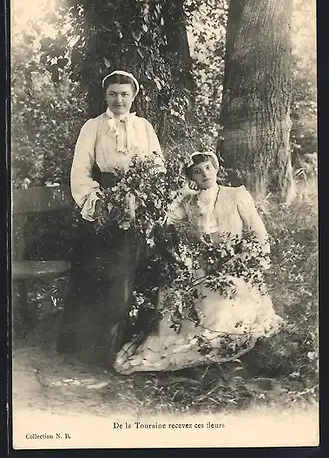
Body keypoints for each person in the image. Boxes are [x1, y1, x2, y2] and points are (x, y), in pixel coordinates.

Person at [114, 151, 283, 374]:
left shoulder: (236, 195)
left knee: (223, 298)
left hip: (236, 265)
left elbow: (259, 234)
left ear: (216, 168)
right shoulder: (190, 202)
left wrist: (245, 260)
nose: (205, 174)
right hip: (202, 268)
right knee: (174, 293)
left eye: (208, 167)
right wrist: (180, 193)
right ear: (191, 178)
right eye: (197, 171)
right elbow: (164, 220)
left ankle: (217, 346)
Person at [56, 70, 164, 366]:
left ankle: (126, 342)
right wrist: (97, 201)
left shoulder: (143, 127)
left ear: (133, 96)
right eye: (113, 94)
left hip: (137, 206)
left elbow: (157, 167)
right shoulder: (93, 127)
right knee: (96, 274)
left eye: (124, 94)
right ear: (105, 96)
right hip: (103, 206)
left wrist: (143, 200)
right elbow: (80, 169)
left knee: (129, 273)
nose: (119, 99)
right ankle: (90, 348)